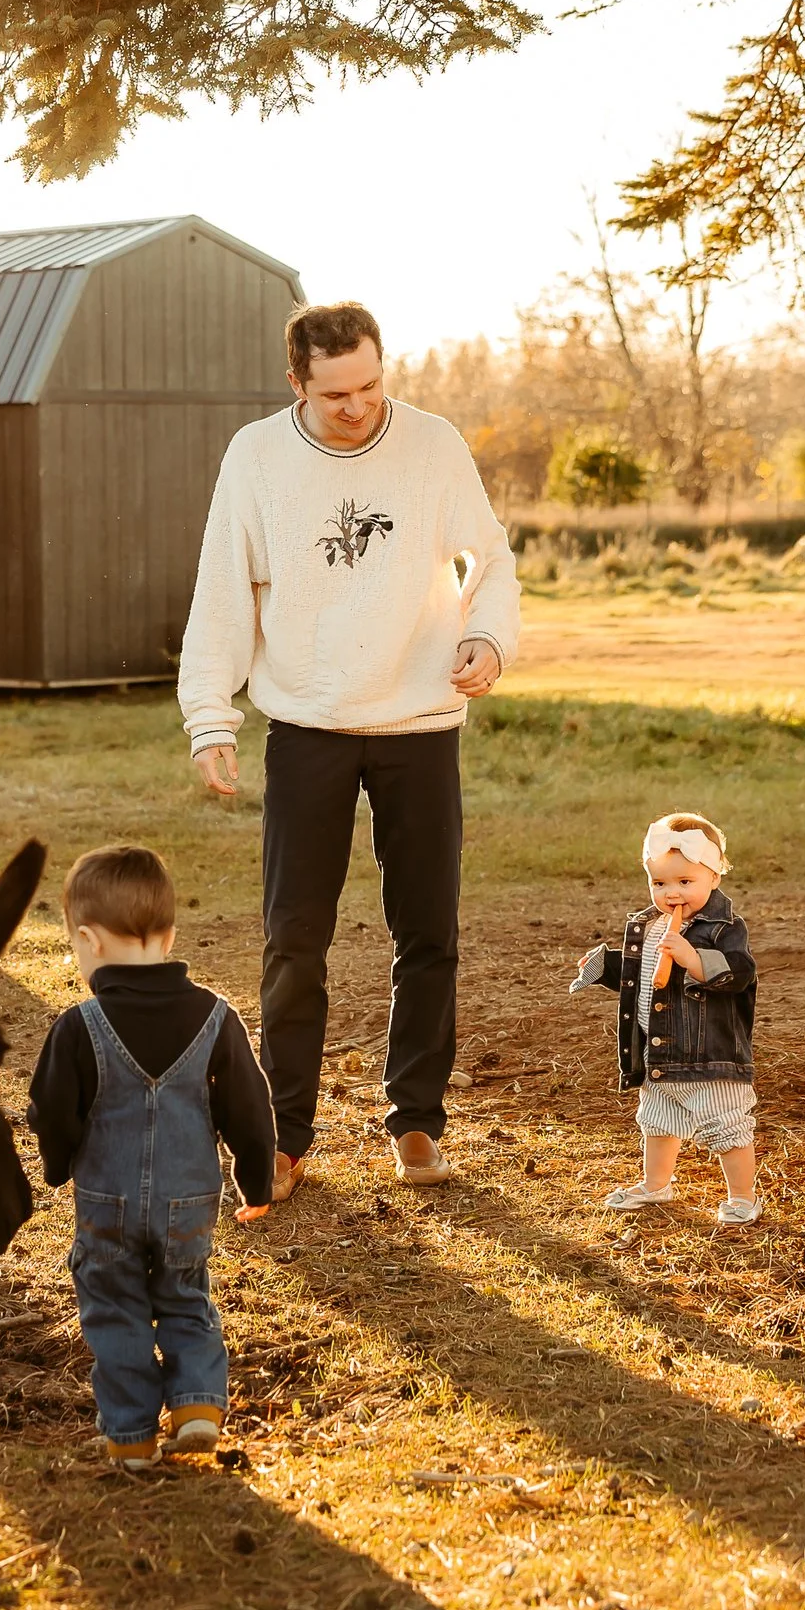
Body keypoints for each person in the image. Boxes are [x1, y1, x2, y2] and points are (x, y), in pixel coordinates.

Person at [177, 301, 521, 1198]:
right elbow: (222, 584)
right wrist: (211, 715)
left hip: (420, 726)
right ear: (297, 382)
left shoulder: (434, 444)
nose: (358, 405)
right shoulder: (256, 455)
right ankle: (285, 1135)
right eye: (336, 393)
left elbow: (489, 557)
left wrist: (487, 639)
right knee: (295, 938)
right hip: (307, 725)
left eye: (370, 385)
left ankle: (415, 1122)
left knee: (427, 931)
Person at [27, 845, 276, 1468]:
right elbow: (250, 1106)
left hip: (106, 1205)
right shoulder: (217, 1018)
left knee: (114, 1308)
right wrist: (255, 1180)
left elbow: (52, 1111)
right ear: (169, 935)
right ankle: (196, 1404)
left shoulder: (78, 1026)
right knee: (184, 1294)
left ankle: (131, 1436)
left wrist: (57, 1166)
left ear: (88, 941)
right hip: (188, 1200)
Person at [571, 813, 762, 1225]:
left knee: (726, 1124)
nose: (671, 893)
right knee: (657, 1122)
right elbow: (640, 973)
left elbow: (740, 973)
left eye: (684, 882)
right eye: (659, 883)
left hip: (708, 1054)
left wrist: (693, 959)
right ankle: (656, 1184)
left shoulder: (723, 928)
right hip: (657, 1051)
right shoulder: (648, 925)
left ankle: (742, 1196)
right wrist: (605, 966)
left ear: (714, 875)